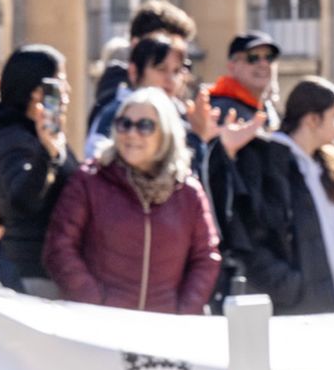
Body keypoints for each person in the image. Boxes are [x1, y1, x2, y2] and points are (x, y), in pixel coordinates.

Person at [44, 88, 220, 313]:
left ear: (166, 133)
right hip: (98, 322)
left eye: (145, 126)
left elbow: (205, 258)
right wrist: (95, 302)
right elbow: (60, 247)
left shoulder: (188, 192)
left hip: (164, 326)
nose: (132, 134)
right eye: (124, 124)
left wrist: (182, 312)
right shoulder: (90, 180)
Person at [215, 77, 334, 314]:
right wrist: (292, 289)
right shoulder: (266, 162)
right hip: (298, 311)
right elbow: (250, 237)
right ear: (312, 119)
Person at [0, 46, 78, 285]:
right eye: (61, 81)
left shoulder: (37, 136)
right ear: (38, 92)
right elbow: (22, 200)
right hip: (28, 277)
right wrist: (47, 154)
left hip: (43, 271)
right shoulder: (12, 140)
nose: (67, 90)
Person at [87, 0, 197, 130]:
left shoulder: (175, 106)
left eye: (179, 66)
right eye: (161, 65)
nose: (173, 78)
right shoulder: (117, 104)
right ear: (136, 47)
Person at [209, 31, 281, 129]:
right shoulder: (220, 109)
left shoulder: (267, 108)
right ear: (232, 66)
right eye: (253, 57)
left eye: (269, 57)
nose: (263, 64)